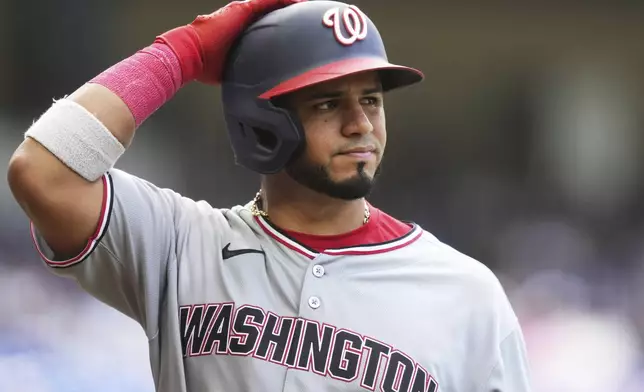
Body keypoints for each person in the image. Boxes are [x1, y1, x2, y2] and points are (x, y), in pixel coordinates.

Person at [7, 0, 532, 391]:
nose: (360, 124)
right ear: (260, 122)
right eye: (328, 104)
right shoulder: (180, 245)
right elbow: (43, 170)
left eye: (371, 99)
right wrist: (182, 54)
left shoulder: (466, 294)